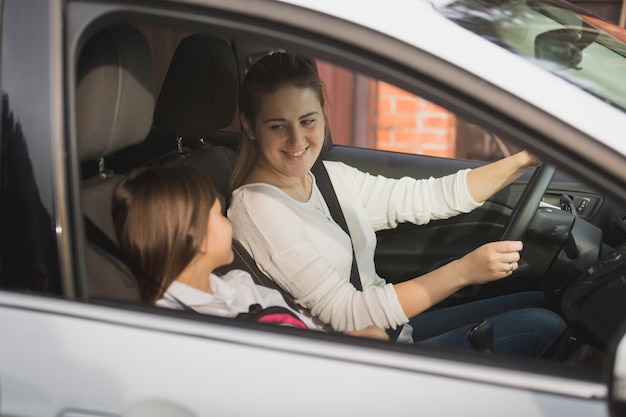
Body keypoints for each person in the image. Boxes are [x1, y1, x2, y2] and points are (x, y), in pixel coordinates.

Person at [227, 52, 567, 356]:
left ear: (323, 114)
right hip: (355, 362)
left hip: (394, 332)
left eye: (307, 121)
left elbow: (430, 197)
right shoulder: (258, 207)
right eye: (278, 126)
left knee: (546, 301)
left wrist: (524, 160)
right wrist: (464, 271)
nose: (297, 140)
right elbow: (350, 315)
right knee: (543, 327)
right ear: (250, 127)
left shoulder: (329, 178)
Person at [112, 164, 388, 340]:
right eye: (218, 214)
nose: (227, 220)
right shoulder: (180, 330)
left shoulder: (237, 287)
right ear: (198, 239)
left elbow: (304, 336)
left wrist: (355, 339)